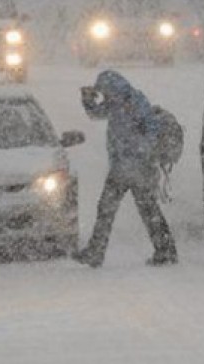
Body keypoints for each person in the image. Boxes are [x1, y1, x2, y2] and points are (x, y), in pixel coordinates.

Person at [73, 70, 178, 268]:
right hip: (125, 167)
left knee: (111, 209)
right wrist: (88, 100)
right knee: (144, 210)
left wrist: (136, 152)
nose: (104, 95)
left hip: (134, 167)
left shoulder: (135, 103)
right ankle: (165, 250)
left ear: (113, 88)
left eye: (104, 91)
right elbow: (96, 114)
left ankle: (96, 253)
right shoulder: (117, 102)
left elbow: (151, 131)